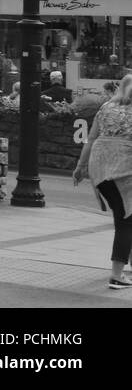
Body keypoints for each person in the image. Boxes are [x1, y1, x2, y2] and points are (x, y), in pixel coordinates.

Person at [74, 74, 132, 289]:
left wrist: (80, 167)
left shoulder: (106, 108)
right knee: (127, 220)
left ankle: (126, 264)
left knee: (124, 216)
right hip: (125, 169)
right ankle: (117, 275)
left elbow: (90, 140)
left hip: (99, 168)